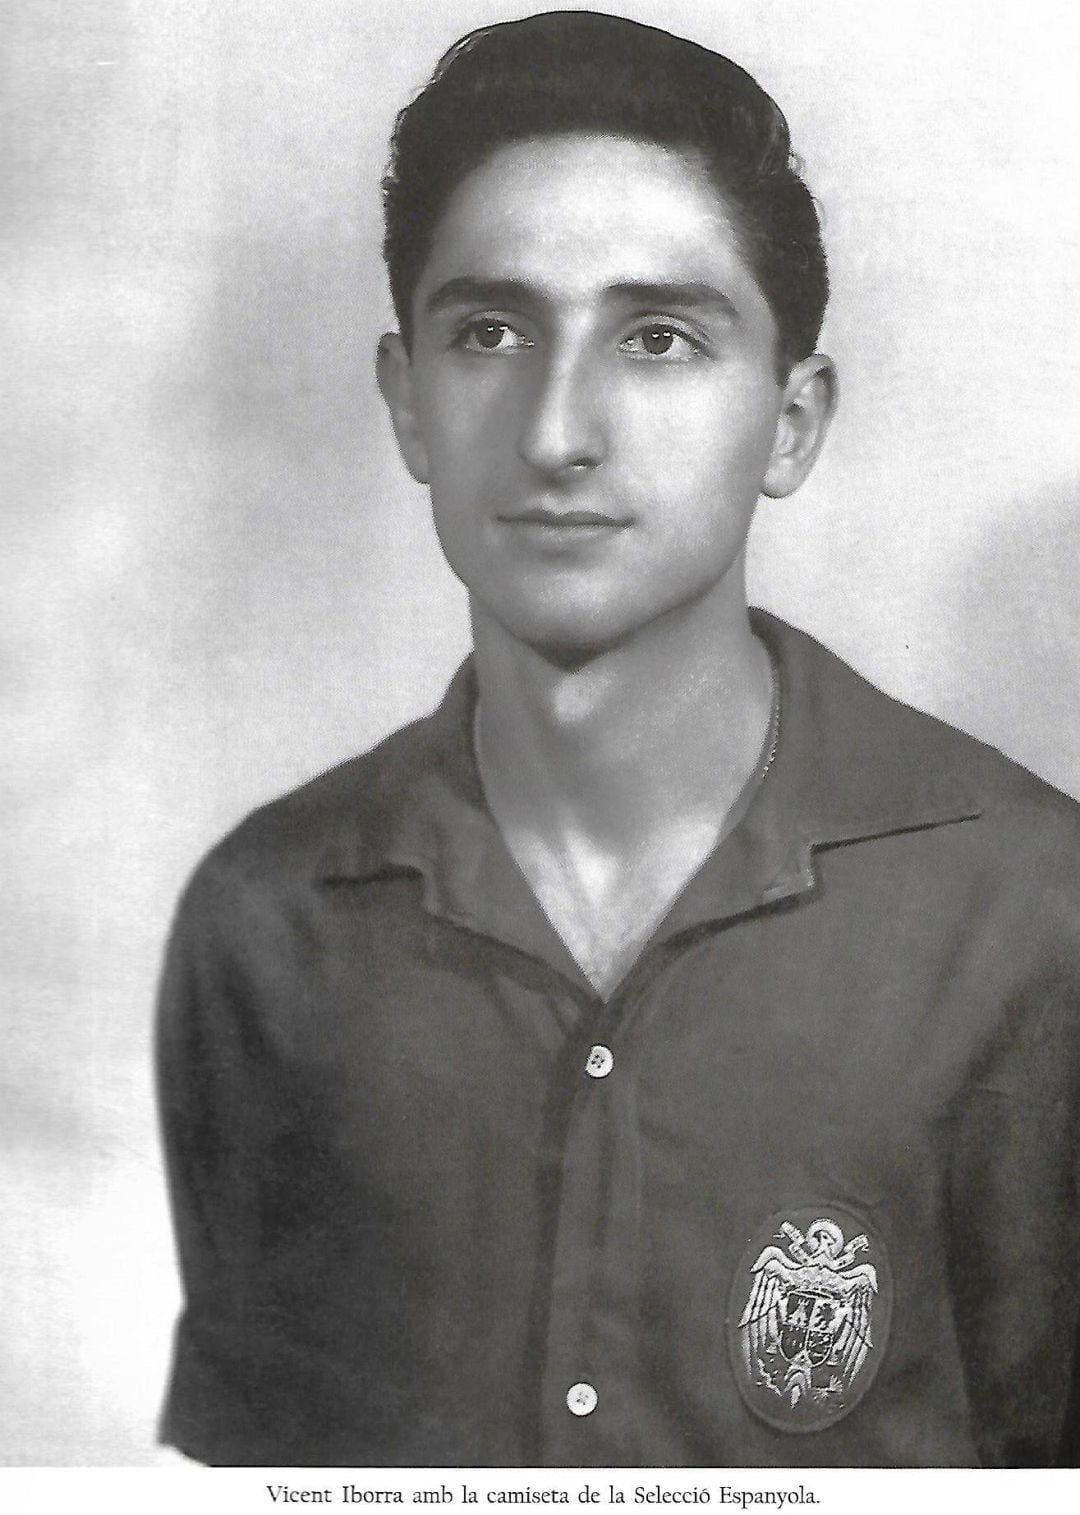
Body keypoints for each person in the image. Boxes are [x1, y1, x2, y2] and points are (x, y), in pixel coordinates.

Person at [156, 9, 1080, 1468]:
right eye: (490, 331)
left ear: (790, 422)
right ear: (409, 402)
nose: (557, 429)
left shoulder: (1035, 917)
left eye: (658, 336)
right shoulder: (265, 920)